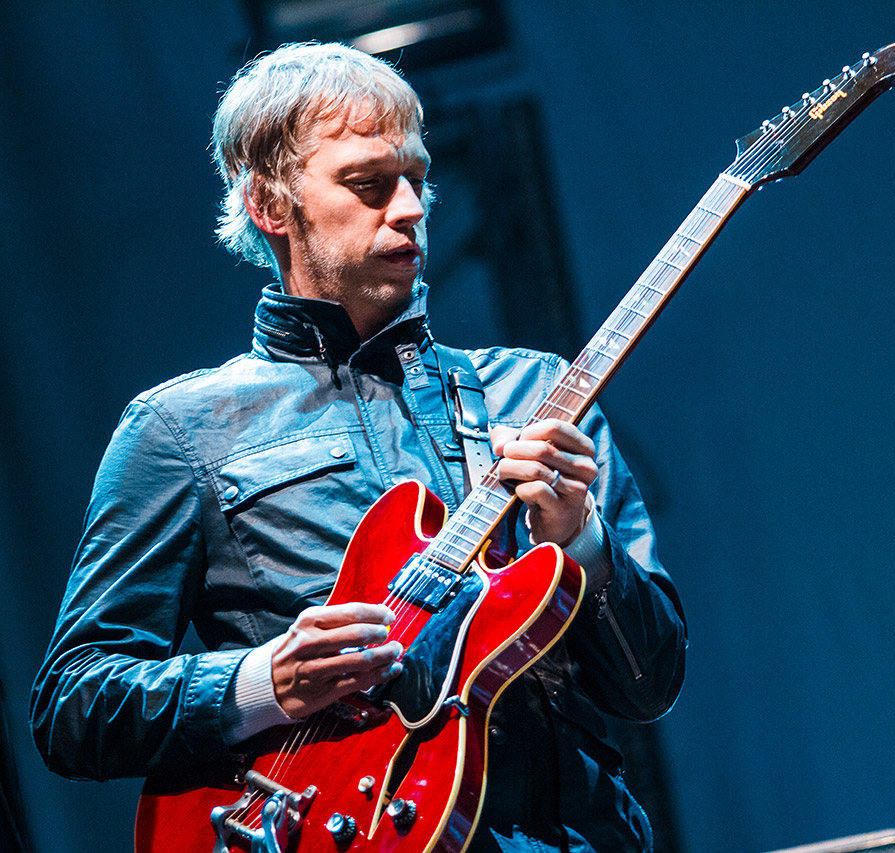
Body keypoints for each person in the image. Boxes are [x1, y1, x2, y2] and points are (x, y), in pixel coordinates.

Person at [30, 42, 686, 853]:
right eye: (369, 184)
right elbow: (73, 705)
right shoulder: (180, 429)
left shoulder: (536, 393)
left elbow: (649, 685)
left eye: (417, 177)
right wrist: (262, 681)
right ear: (271, 203)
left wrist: (581, 540)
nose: (410, 208)